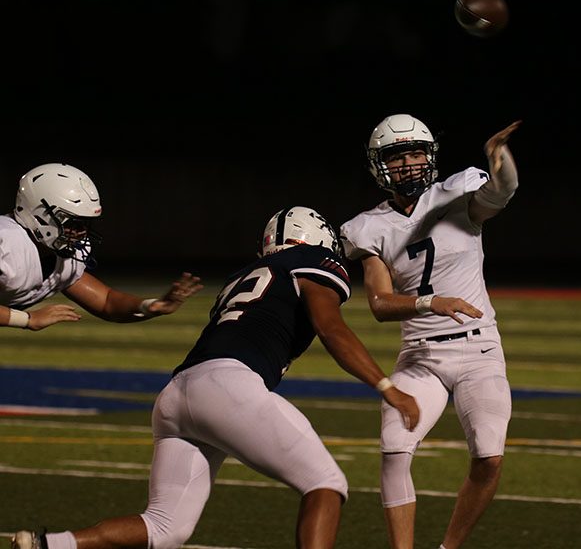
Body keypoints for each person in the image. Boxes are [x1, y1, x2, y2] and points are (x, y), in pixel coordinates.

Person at [10, 205, 421, 549]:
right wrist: (386, 386)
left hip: (177, 394)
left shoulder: (245, 276)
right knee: (326, 484)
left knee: (166, 527)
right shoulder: (312, 260)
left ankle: (47, 545)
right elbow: (332, 328)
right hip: (229, 386)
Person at [340, 114, 521, 549]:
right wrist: (430, 302)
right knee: (394, 448)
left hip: (480, 350)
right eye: (397, 157)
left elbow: (503, 190)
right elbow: (381, 304)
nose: (408, 163)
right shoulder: (367, 228)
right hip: (421, 357)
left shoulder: (457, 196)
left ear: (430, 156)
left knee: (489, 458)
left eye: (415, 152)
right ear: (379, 166)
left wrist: (499, 157)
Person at [1, 162, 202, 331]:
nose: (81, 232)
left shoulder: (60, 255)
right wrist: (27, 319)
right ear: (39, 213)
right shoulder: (6, 242)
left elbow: (106, 302)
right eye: (72, 222)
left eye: (85, 224)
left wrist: (150, 306)